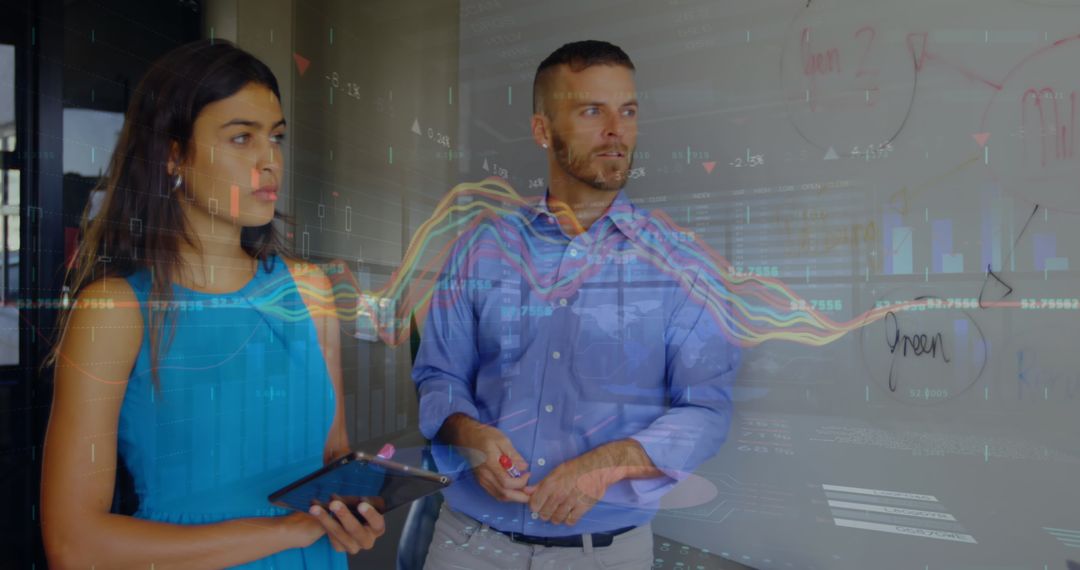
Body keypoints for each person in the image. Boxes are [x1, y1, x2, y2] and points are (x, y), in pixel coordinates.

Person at [40, 39, 384, 568]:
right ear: (173, 154)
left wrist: (356, 513)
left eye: (276, 138)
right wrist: (284, 532)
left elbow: (332, 458)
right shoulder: (114, 311)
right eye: (242, 137)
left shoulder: (310, 291)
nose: (270, 161)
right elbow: (73, 545)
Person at [413, 40, 741, 569]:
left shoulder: (682, 265)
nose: (616, 130)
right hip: (468, 545)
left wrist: (612, 463)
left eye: (627, 111)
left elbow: (706, 409)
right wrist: (464, 430)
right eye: (593, 111)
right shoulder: (483, 247)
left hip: (603, 556)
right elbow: (438, 375)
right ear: (542, 129)